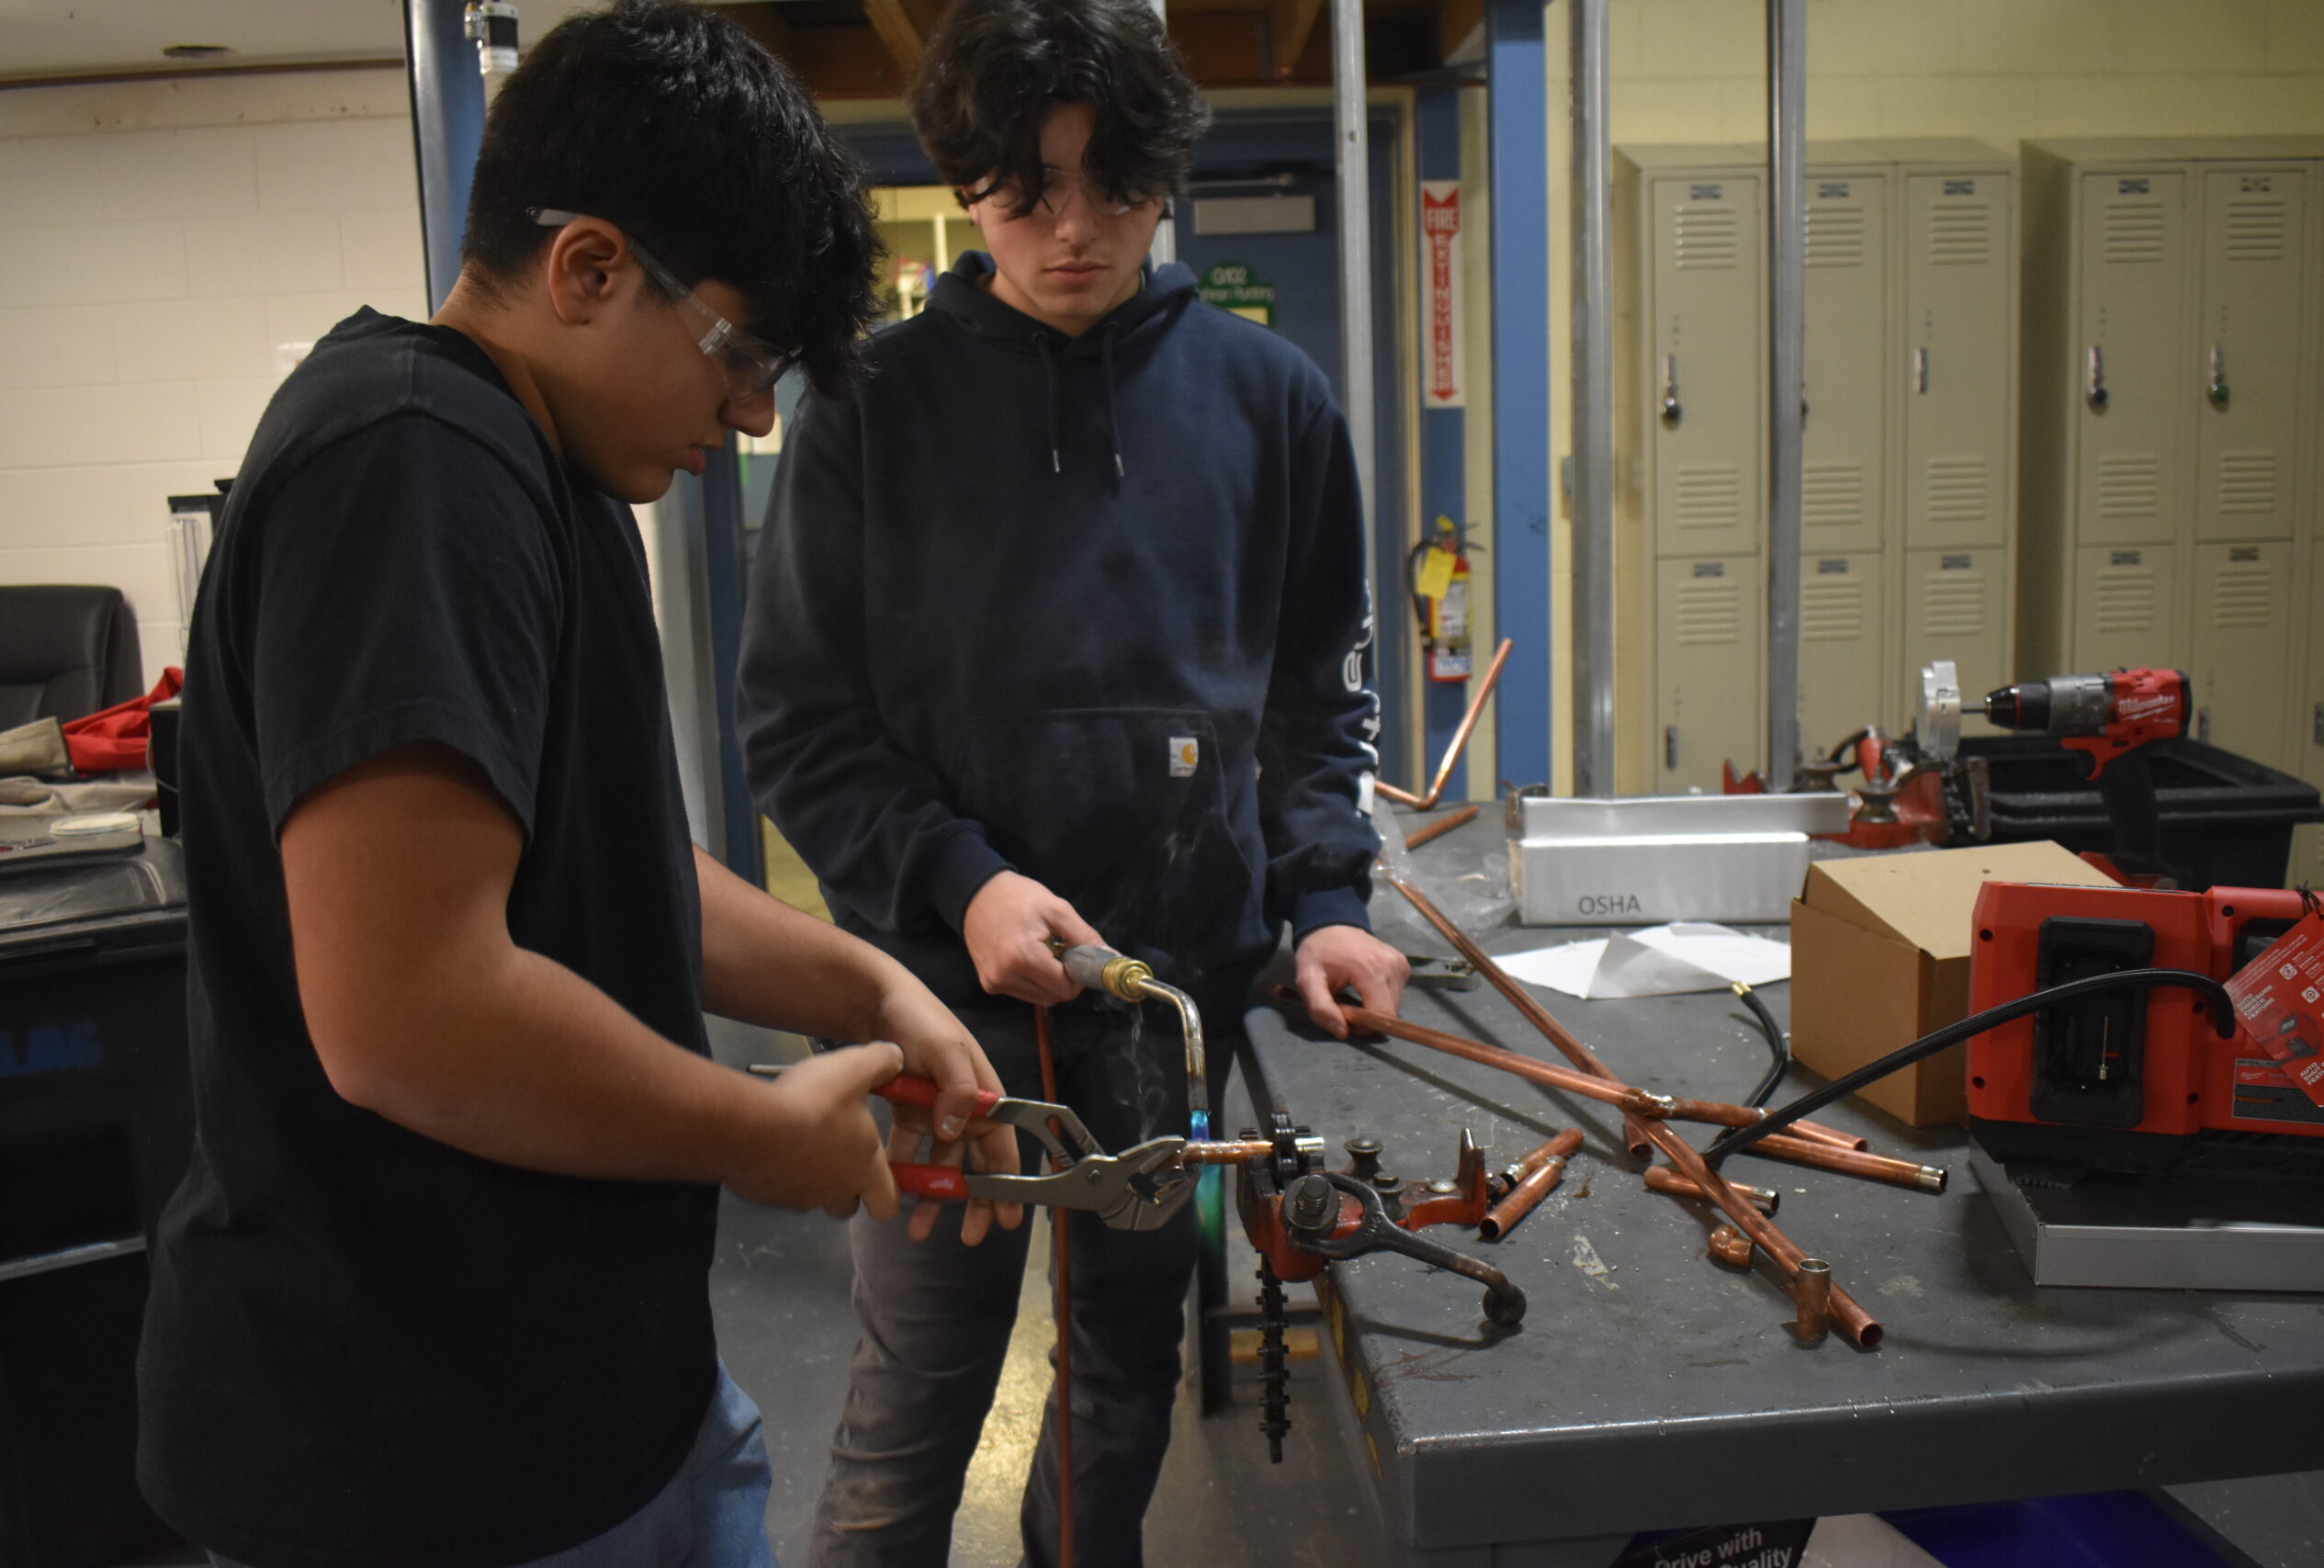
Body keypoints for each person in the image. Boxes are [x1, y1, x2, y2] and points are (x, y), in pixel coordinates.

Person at [136, 6, 1021, 1565]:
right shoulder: (412, 457)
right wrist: (758, 1135)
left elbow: (608, 872)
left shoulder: (542, 472)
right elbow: (410, 1011)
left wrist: (866, 983)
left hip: (604, 1410)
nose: (750, 417)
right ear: (590, 267)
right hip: (416, 1471)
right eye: (741, 354)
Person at [735, 0, 1410, 1559]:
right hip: (937, 1000)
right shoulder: (863, 406)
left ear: (1166, 176)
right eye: (1027, 190)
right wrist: (960, 884)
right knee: (915, 1409)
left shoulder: (1274, 405)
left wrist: (1323, 901)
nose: (1073, 230)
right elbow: (798, 723)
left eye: (1113, 185)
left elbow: (1321, 696)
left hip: (1166, 997)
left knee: (1121, 1390)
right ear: (965, 186)